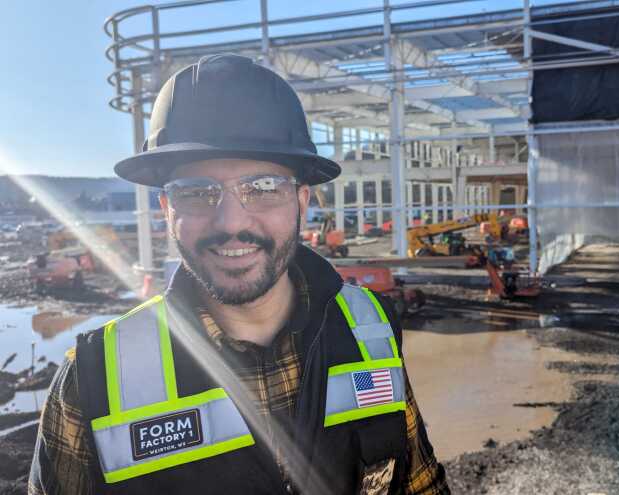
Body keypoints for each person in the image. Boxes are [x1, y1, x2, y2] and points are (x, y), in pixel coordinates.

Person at [29, 54, 448, 495]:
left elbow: (419, 483)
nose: (231, 222)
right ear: (167, 210)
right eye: (196, 193)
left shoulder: (371, 330)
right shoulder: (94, 381)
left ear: (303, 202)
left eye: (262, 188)